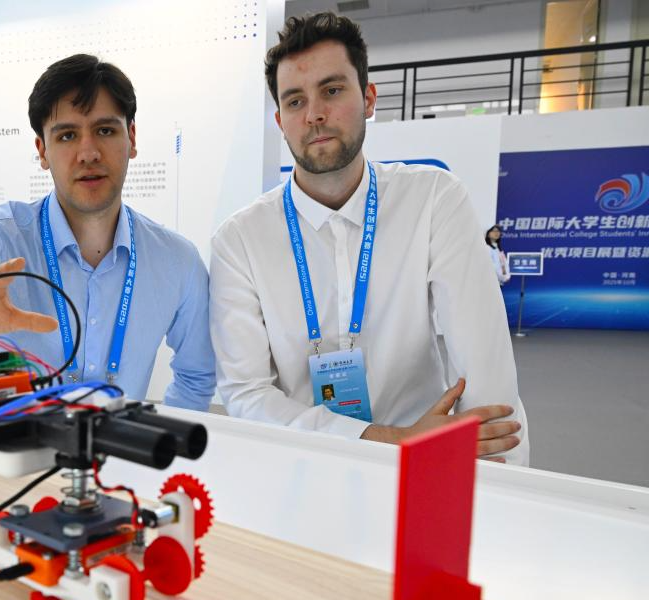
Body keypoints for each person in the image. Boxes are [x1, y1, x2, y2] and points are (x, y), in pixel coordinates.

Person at [209, 12, 528, 464]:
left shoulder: (432, 199)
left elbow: (486, 376)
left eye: (332, 90)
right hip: (302, 465)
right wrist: (391, 440)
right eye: (296, 101)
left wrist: (489, 485)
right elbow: (246, 394)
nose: (314, 114)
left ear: (369, 98)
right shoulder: (240, 240)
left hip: (425, 465)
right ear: (280, 121)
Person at [0, 54, 215, 410]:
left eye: (105, 130)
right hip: (13, 444)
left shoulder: (176, 260)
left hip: (123, 444)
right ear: (42, 150)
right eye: (67, 135)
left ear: (131, 137)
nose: (88, 153)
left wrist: (158, 438)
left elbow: (197, 376)